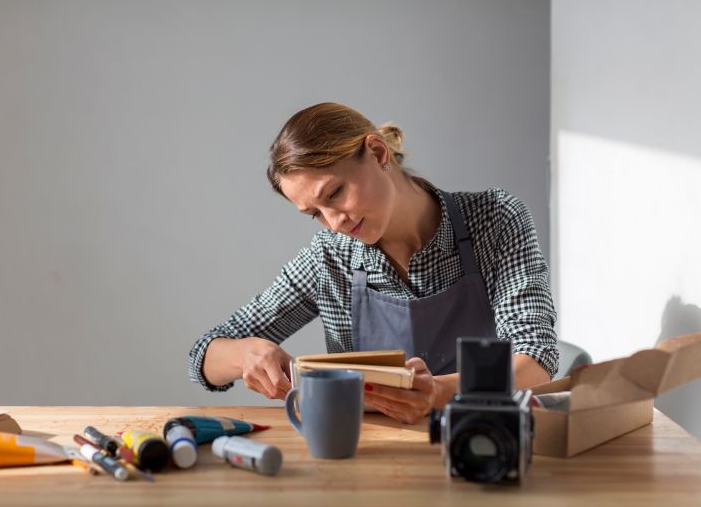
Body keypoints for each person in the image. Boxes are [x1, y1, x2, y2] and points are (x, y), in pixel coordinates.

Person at [189, 102, 558, 424]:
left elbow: (536, 358)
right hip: (376, 453)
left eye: (334, 193)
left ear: (379, 153)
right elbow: (203, 357)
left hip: (486, 439)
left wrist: (438, 392)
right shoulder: (331, 257)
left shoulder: (494, 220)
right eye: (315, 213)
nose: (335, 222)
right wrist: (245, 354)